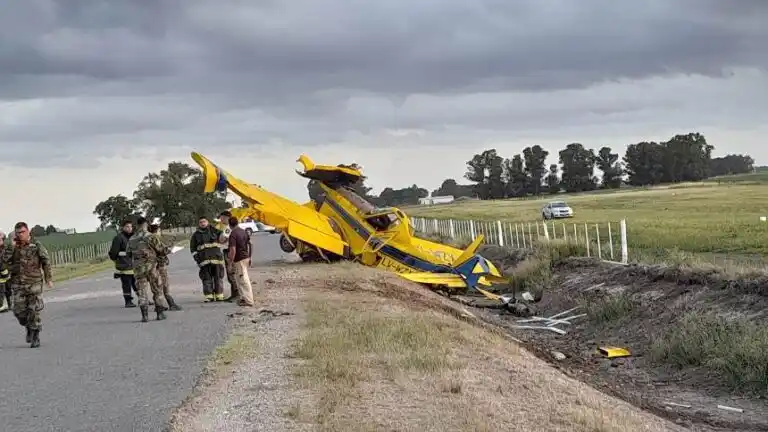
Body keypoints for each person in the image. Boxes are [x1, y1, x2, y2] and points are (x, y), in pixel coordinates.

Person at [2, 222, 53, 348]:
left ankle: (36, 336)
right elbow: (3, 261)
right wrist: (11, 248)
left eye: (23, 232)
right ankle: (29, 327)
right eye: (18, 233)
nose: (20, 235)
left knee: (33, 310)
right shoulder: (13, 247)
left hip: (34, 282)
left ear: (28, 231)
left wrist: (48, 278)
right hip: (17, 284)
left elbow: (46, 261)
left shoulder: (36, 245)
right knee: (18, 312)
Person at [126, 216, 170, 322]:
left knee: (142, 292)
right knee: (157, 290)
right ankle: (160, 314)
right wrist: (167, 250)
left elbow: (128, 253)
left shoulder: (131, 239)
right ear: (146, 224)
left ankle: (144, 316)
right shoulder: (151, 236)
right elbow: (161, 249)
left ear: (137, 225)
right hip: (152, 267)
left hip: (138, 269)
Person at [147, 221, 182, 311]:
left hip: (151, 265)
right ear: (157, 230)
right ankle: (171, 304)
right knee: (165, 284)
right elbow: (161, 250)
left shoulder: (145, 239)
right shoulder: (155, 238)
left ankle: (158, 305)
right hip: (159, 265)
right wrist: (170, 250)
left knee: (155, 285)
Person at [190, 216, 226, 302]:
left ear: (208, 222)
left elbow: (224, 237)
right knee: (206, 279)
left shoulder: (215, 231)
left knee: (218, 278)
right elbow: (193, 249)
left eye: (204, 222)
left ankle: (219, 295)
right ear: (199, 224)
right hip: (204, 261)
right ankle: (209, 296)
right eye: (201, 222)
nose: (203, 223)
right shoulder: (196, 235)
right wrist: (197, 259)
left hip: (216, 259)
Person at [108, 219, 138, 308]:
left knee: (137, 283)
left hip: (134, 265)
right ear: (123, 228)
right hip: (124, 265)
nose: (130, 228)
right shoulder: (118, 238)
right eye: (127, 227)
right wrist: (122, 256)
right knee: (126, 284)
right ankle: (128, 301)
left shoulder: (133, 237)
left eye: (131, 226)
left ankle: (143, 299)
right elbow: (113, 253)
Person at [227, 216, 255, 307]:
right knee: (239, 279)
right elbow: (250, 244)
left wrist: (230, 263)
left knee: (243, 280)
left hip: (239, 260)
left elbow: (233, 250)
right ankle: (243, 299)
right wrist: (250, 256)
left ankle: (249, 300)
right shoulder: (243, 232)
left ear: (230, 225)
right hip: (245, 257)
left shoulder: (233, 234)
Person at [217, 210, 239, 302]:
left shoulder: (228, 228)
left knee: (231, 274)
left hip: (229, 252)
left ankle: (236, 294)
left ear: (226, 217)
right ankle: (234, 294)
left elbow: (222, 240)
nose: (220, 219)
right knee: (234, 273)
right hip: (236, 251)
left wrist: (220, 236)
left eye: (221, 217)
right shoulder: (235, 227)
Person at [0, 231, 9, 313]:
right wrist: (6, 274)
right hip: (1, 277)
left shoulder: (3, 248)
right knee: (1, 291)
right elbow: (2, 265)